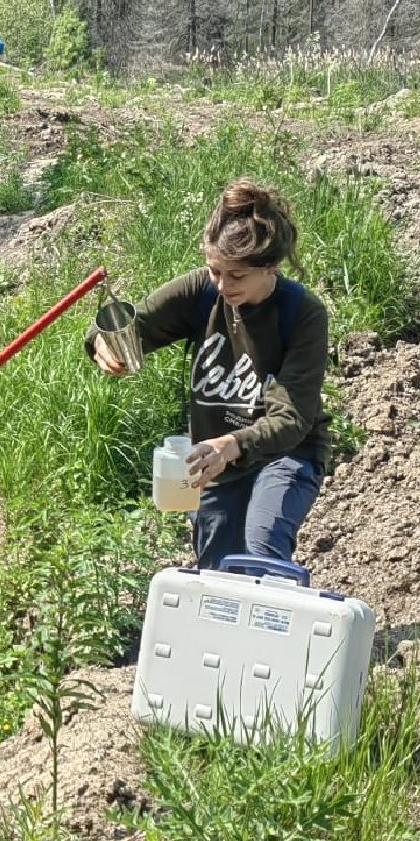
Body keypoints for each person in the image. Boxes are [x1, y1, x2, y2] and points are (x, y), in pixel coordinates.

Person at [86, 180, 332, 571]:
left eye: (237, 276)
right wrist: (104, 342)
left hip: (285, 454)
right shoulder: (201, 292)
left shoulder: (302, 315)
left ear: (270, 267)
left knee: (261, 548)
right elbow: (126, 325)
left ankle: (275, 627)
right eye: (215, 271)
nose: (223, 285)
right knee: (219, 572)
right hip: (215, 462)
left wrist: (232, 444)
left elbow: (292, 419)